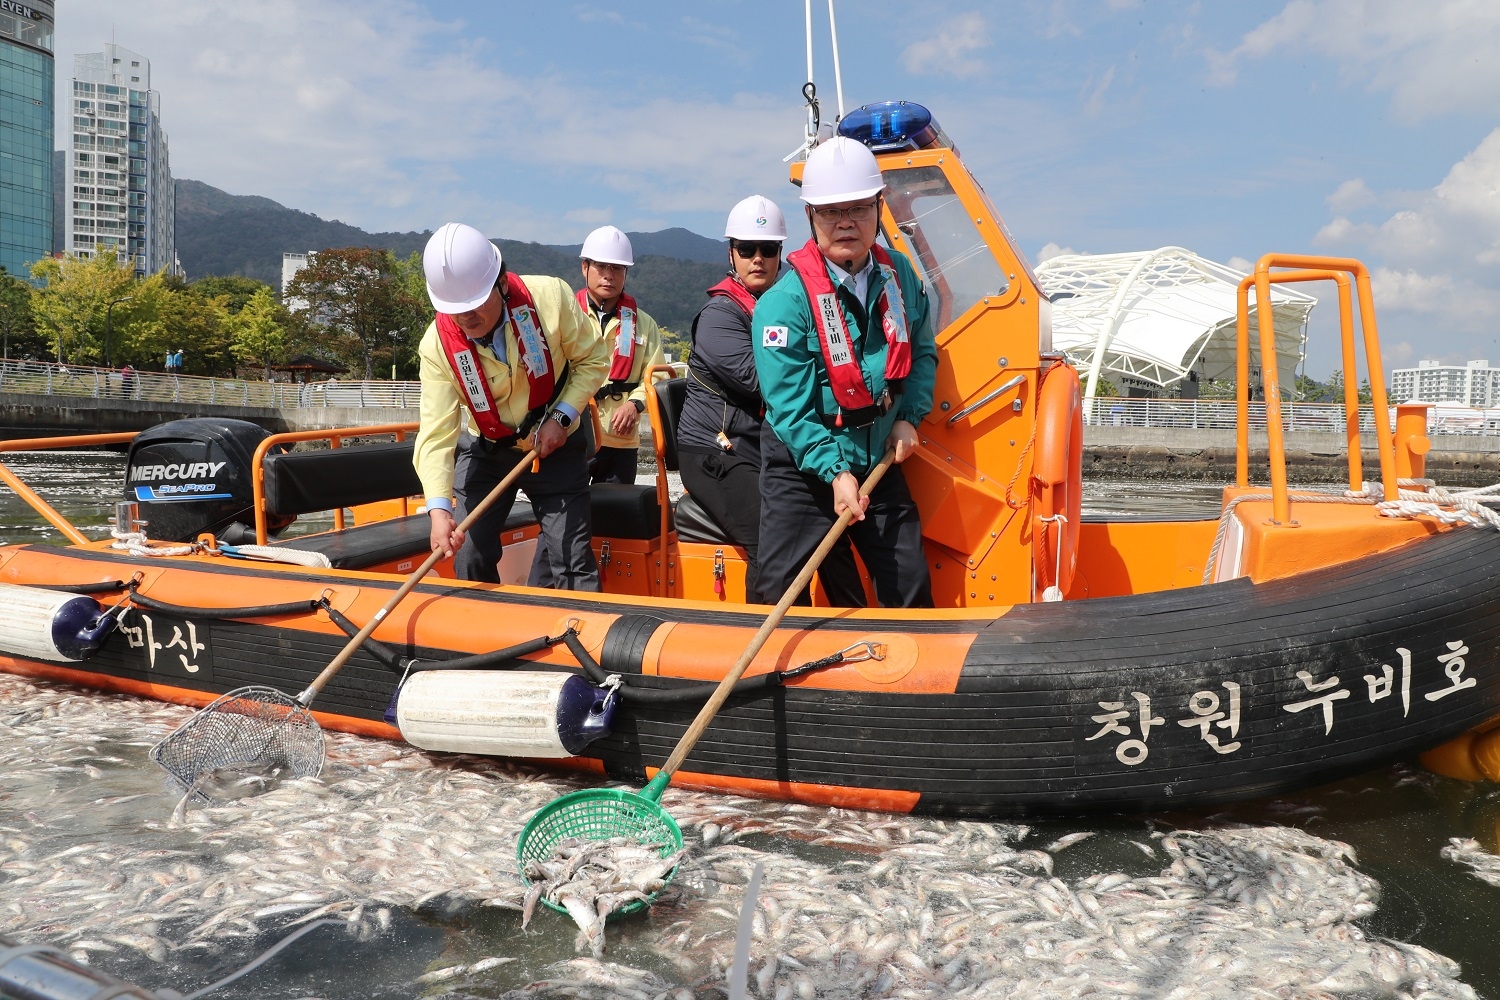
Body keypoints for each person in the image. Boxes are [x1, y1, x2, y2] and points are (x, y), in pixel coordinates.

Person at [751, 136, 938, 609]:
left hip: (877, 450)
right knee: (777, 590)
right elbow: (789, 408)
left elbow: (921, 351)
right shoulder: (782, 305)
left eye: (858, 207)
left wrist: (909, 417)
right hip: (804, 463)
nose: (846, 222)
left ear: (879, 207)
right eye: (831, 212)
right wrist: (834, 473)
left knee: (910, 584)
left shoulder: (901, 276)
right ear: (811, 218)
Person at [677, 194, 864, 606]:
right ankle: (768, 637)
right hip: (717, 452)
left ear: (781, 253)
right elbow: (768, 382)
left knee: (829, 526)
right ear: (732, 253)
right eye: (747, 250)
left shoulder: (789, 305)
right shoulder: (720, 317)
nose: (757, 259)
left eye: (768, 249)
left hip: (770, 448)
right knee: (772, 537)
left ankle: (856, 618)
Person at [413, 222, 610, 589]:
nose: (467, 317)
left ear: (501, 283)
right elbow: (436, 434)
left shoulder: (550, 298)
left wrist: (562, 417)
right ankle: (481, 634)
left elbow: (594, 360)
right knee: (470, 551)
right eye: (456, 310)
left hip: (555, 439)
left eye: (475, 303)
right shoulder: (437, 347)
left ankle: (581, 638)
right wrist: (439, 512)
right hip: (486, 450)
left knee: (570, 555)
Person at [575, 226, 667, 484]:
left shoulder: (644, 324)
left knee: (614, 519)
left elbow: (656, 377)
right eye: (601, 267)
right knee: (573, 517)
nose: (608, 275)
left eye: (616, 268)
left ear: (625, 273)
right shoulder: (567, 317)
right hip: (574, 435)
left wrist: (635, 405)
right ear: (585, 268)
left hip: (621, 440)